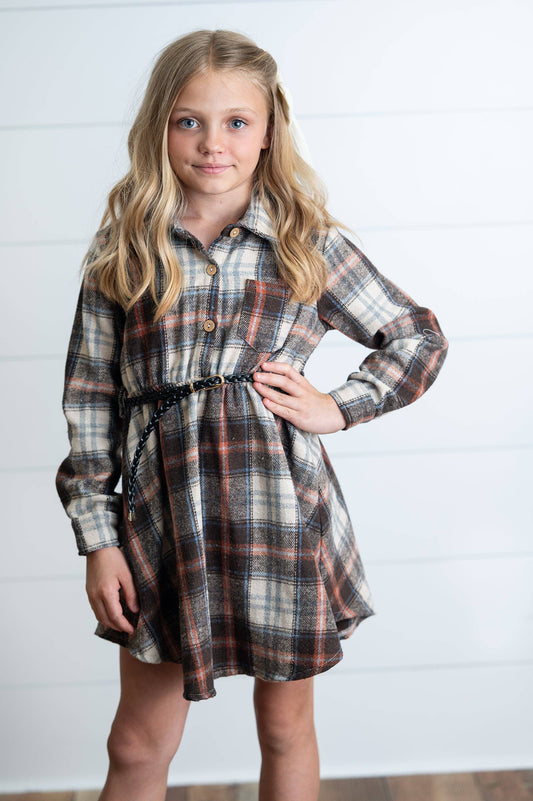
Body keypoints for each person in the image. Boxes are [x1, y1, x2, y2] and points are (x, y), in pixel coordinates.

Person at [55, 28, 448, 801]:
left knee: (283, 725)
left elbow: (415, 336)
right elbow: (88, 402)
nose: (212, 142)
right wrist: (98, 540)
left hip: (281, 515)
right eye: (188, 120)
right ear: (158, 128)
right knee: (135, 741)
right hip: (163, 520)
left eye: (236, 121)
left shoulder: (306, 241)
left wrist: (339, 405)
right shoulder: (124, 252)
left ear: (269, 132)